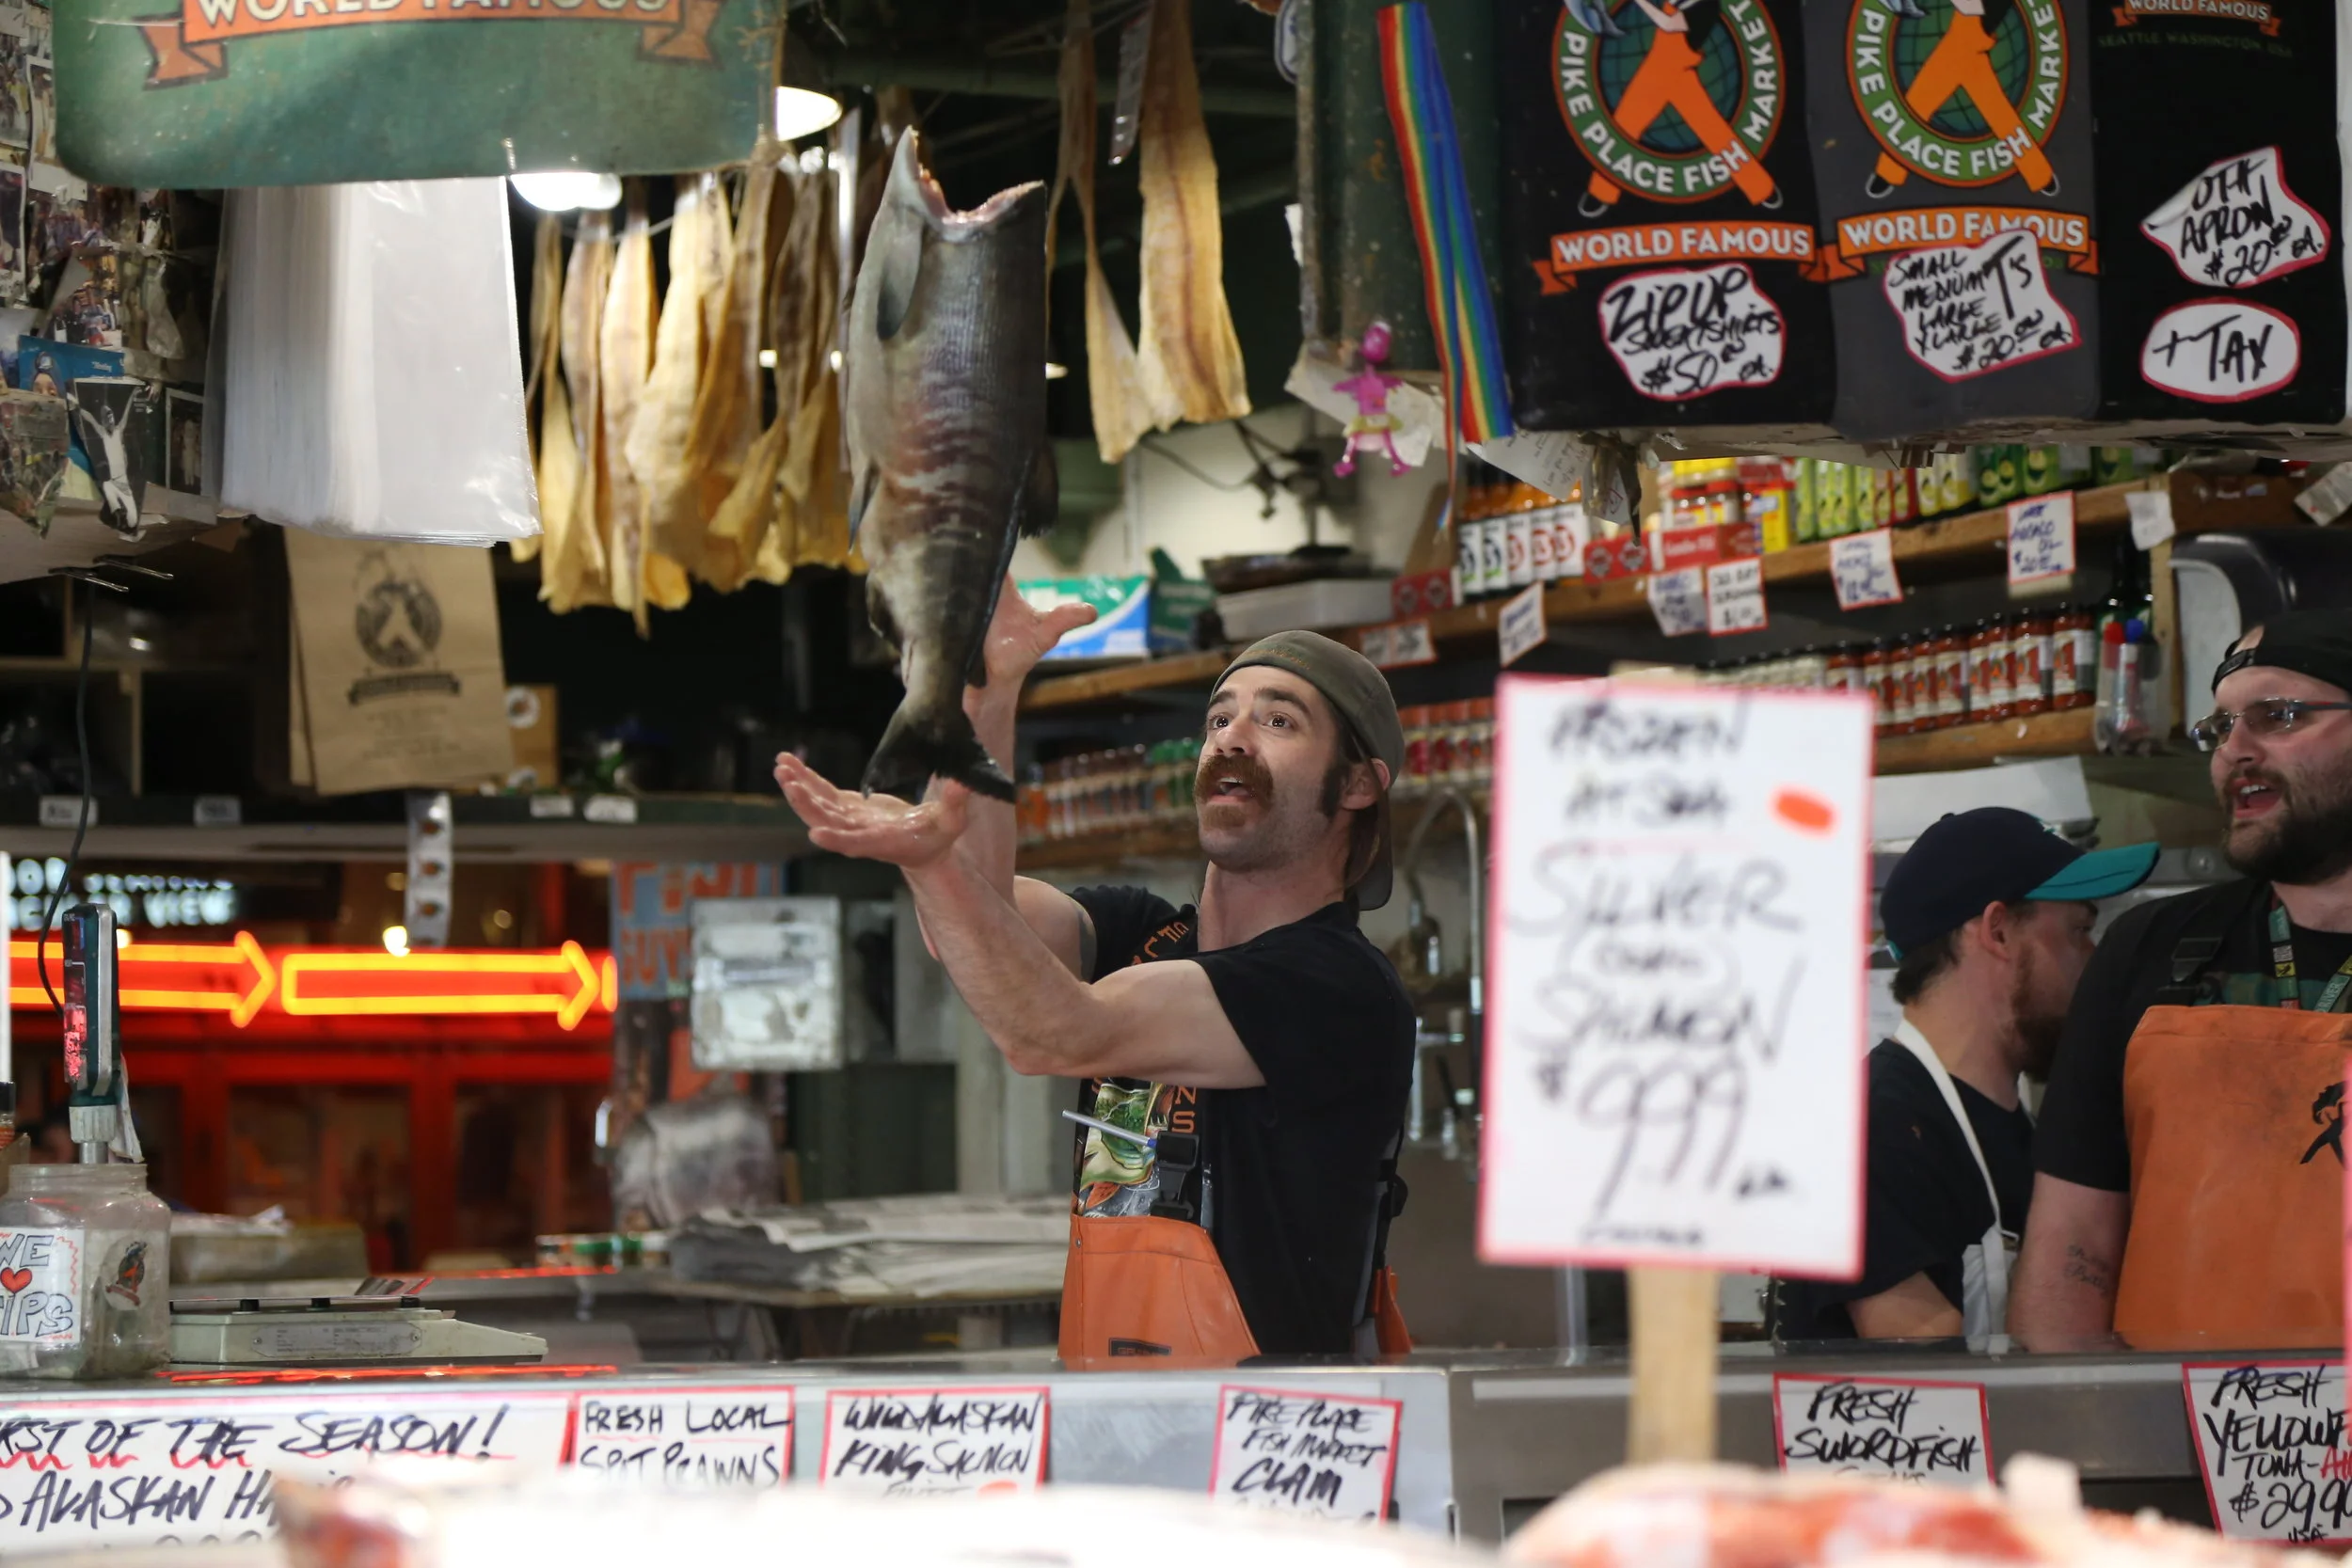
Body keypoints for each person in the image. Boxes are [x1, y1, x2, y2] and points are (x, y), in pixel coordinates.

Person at [774, 585, 1416, 1365]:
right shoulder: (1142, 934)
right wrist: (987, 690)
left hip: (1267, 1428)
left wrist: (932, 862)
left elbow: (1054, 1031)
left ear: (1358, 784)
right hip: (1108, 1407)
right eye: (1219, 718)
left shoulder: (1336, 987)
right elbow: (971, 928)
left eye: (1278, 720)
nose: (1232, 738)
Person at [2012, 610, 2352, 1349]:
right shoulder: (2150, 950)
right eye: (2221, 727)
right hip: (2177, 1418)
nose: (2235, 750)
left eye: (2279, 716)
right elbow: (2074, 1240)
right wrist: (2076, 1412)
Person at [1772, 808, 2154, 1339]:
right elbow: (1925, 1377)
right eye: (2080, 931)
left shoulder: (2024, 1132)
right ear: (1998, 932)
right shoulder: (1869, 1130)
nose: (2093, 960)